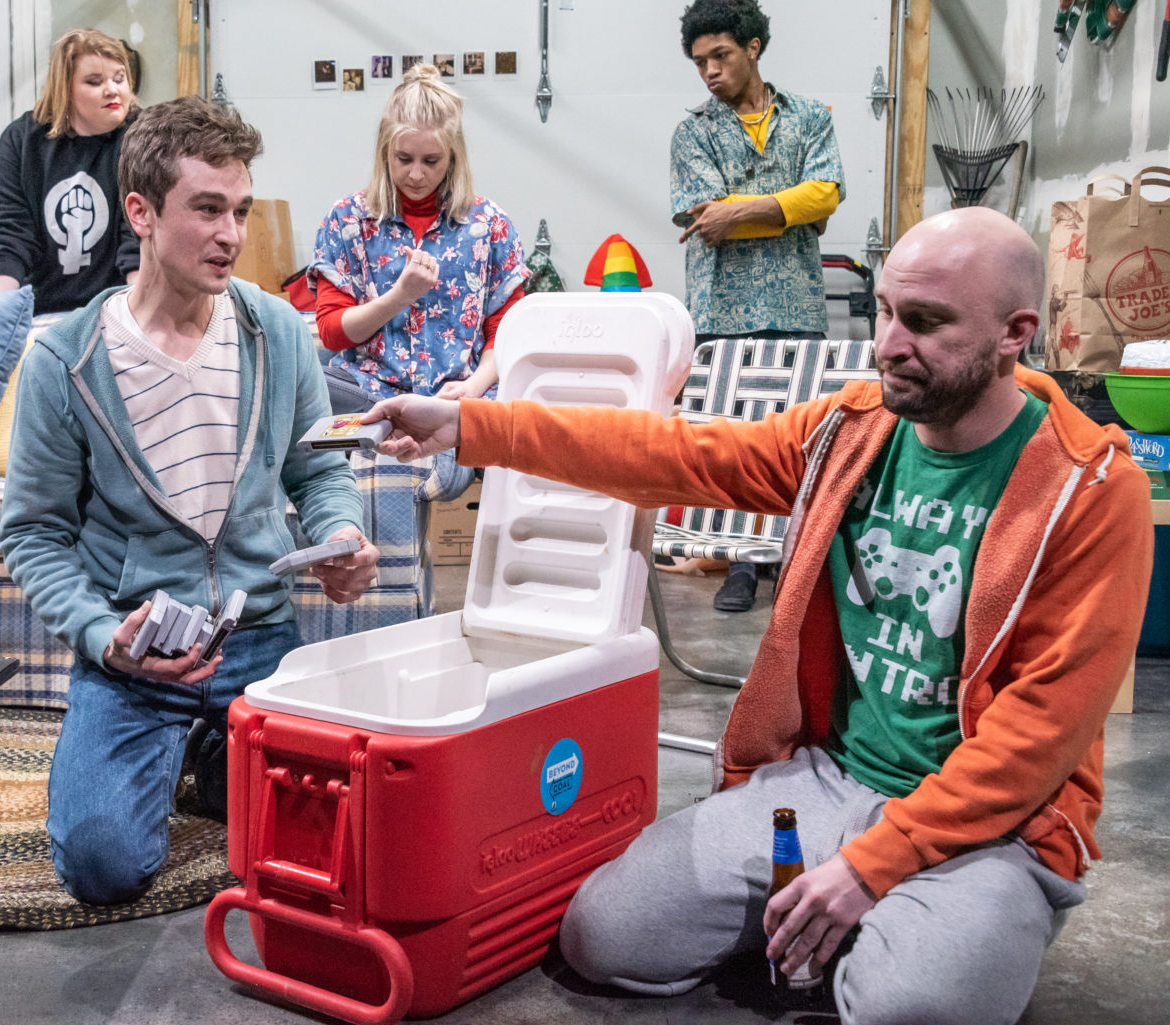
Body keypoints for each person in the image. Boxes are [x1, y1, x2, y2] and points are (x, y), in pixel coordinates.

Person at [365, 206, 1153, 1024]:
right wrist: (471, 425)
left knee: (908, 1009)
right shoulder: (850, 431)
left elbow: (1037, 738)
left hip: (989, 827)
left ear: (1015, 333)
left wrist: (875, 864)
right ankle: (850, 920)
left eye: (925, 323)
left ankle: (911, 921)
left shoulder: (1090, 491)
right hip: (829, 779)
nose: (888, 343)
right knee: (607, 934)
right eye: (885, 311)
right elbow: (677, 454)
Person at [0, 96, 379, 906]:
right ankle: (186, 749)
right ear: (141, 212)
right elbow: (32, 534)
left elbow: (320, 472)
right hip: (137, 660)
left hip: (260, 643)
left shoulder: (280, 332)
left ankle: (210, 754)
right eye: (207, 209)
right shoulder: (65, 360)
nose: (231, 234)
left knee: (341, 844)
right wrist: (103, 635)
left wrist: (341, 533)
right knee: (103, 867)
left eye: (240, 210)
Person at [671, 0, 845, 612]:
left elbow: (827, 196)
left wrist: (741, 210)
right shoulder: (693, 132)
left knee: (802, 440)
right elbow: (704, 217)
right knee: (734, 439)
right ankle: (740, 564)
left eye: (720, 55)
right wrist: (791, 207)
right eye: (700, 62)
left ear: (753, 48)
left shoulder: (810, 118)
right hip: (723, 310)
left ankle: (796, 561)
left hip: (798, 306)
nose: (710, 72)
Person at [309, 62, 531, 415]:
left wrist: (473, 387)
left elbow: (507, 334)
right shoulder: (347, 220)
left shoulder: (490, 225)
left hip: (461, 396)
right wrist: (400, 297)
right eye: (403, 159)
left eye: (431, 161)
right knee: (302, 379)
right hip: (370, 393)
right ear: (385, 151)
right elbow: (332, 333)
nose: (415, 174)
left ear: (453, 157)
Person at [0, 29, 141, 315]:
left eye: (119, 78)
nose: (112, 90)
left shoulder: (142, 137)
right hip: (42, 307)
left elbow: (138, 239)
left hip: (118, 306)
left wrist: (139, 317)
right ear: (65, 89)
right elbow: (10, 235)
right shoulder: (22, 141)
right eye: (94, 82)